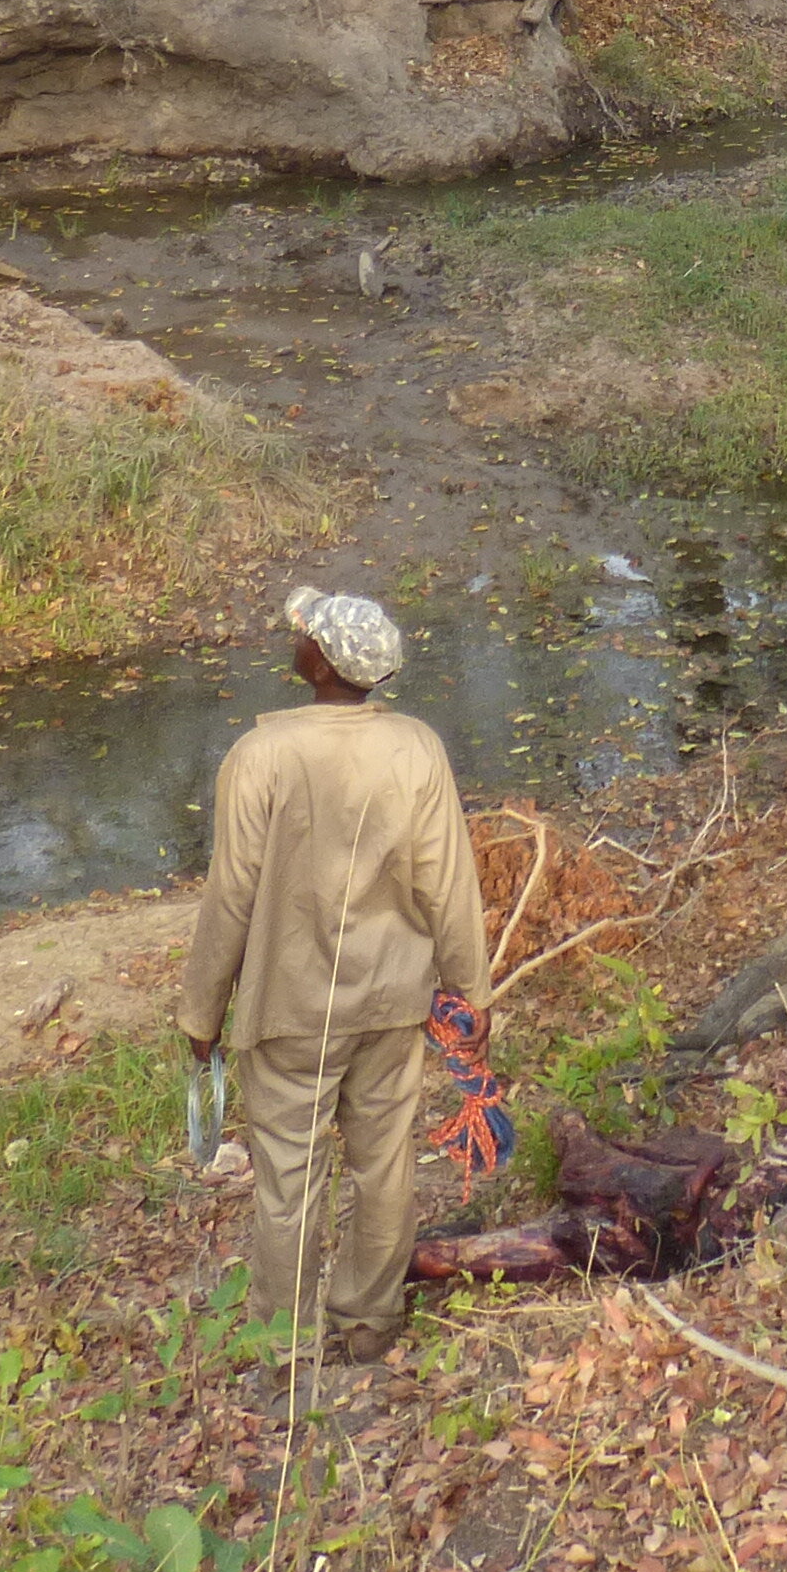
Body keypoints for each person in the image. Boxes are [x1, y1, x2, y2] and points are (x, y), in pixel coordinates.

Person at [177, 588, 489, 1403]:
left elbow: (231, 899)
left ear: (322, 662)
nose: (296, 635)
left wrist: (200, 1013)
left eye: (305, 633)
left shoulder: (263, 758)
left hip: (290, 1011)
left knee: (289, 1176)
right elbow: (448, 883)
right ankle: (369, 1321)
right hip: (393, 1000)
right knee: (384, 1162)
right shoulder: (417, 750)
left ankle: (288, 1347)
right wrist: (470, 987)